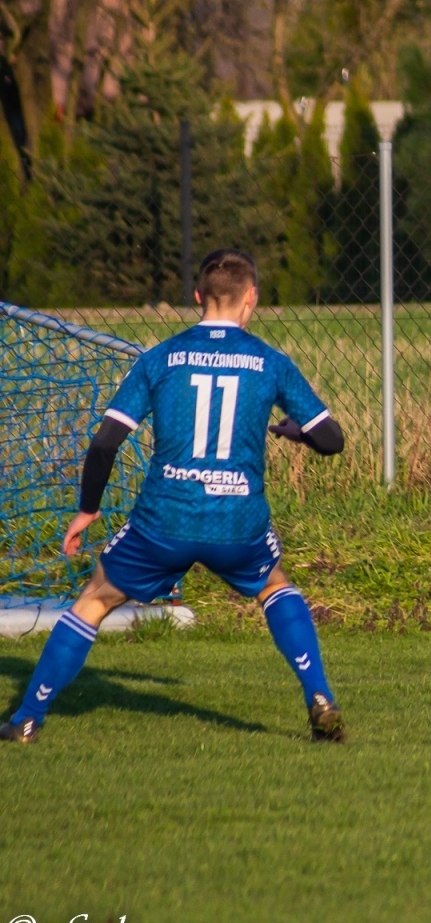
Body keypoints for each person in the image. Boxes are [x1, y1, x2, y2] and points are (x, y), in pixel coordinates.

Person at [1, 249, 348, 745]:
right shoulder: (270, 362)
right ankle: (318, 695)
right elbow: (332, 440)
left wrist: (88, 509)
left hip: (164, 520)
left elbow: (104, 443)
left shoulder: (160, 358)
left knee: (95, 600)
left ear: (197, 298)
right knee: (273, 585)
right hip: (238, 522)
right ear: (251, 298)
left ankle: (27, 719)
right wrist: (297, 433)